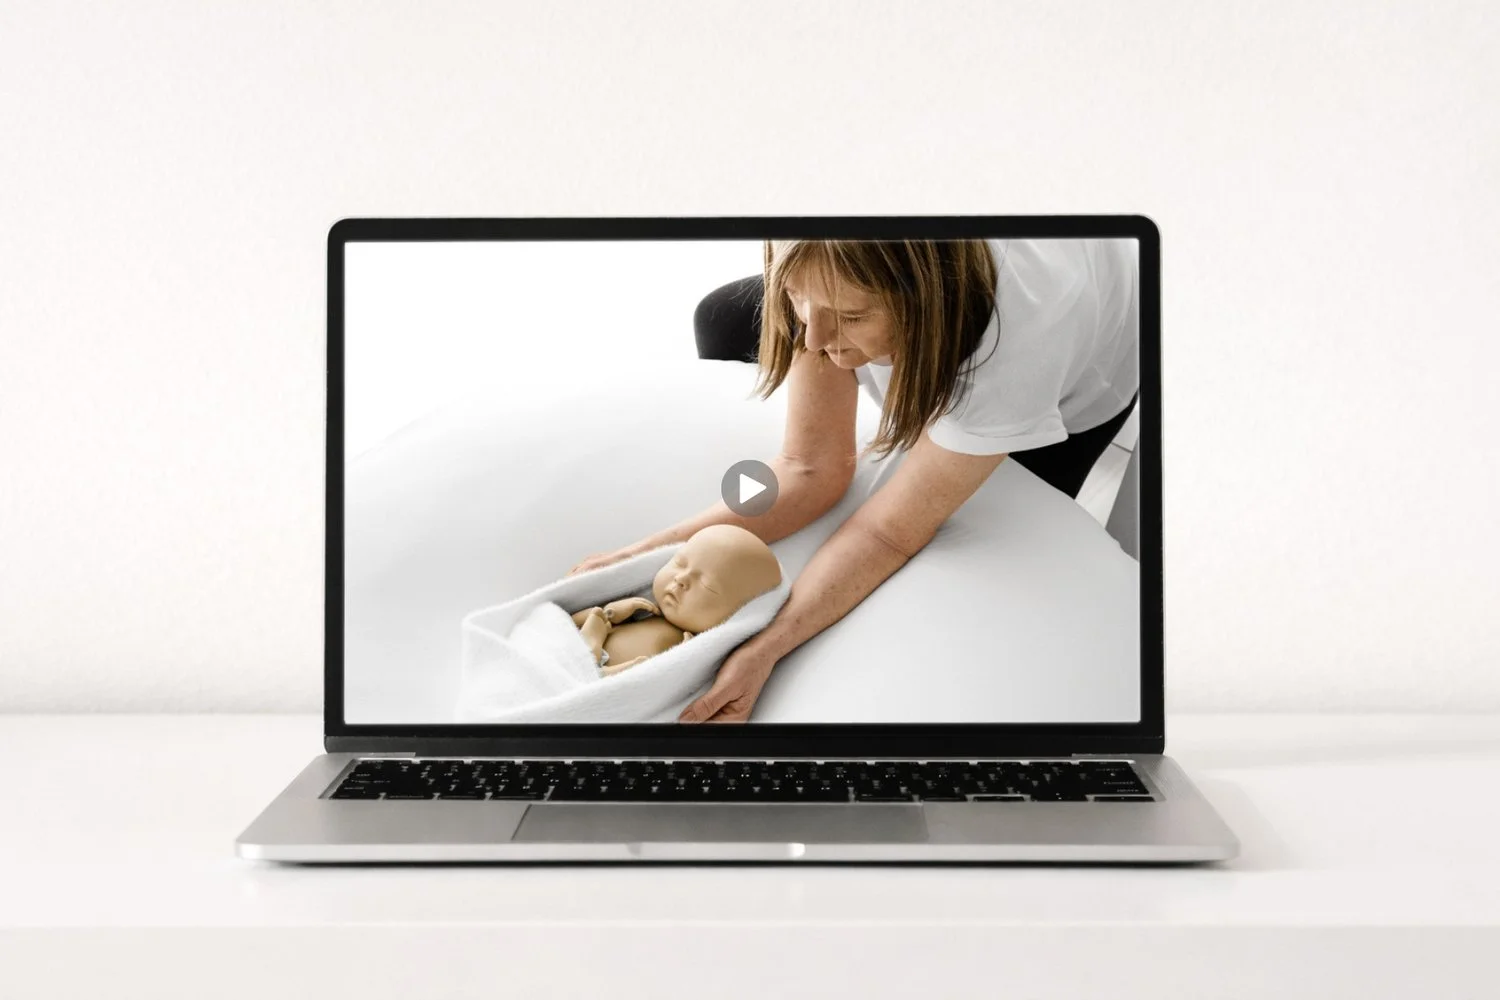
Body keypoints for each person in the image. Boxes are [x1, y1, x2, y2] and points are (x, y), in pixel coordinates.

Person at [567, 237, 1140, 723]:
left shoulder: (1017, 341)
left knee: (1019, 500)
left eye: (851, 315)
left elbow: (887, 534)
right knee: (721, 317)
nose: (813, 341)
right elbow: (809, 468)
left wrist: (768, 648)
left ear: (924, 298)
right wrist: (640, 553)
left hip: (1086, 368)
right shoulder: (815, 260)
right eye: (797, 298)